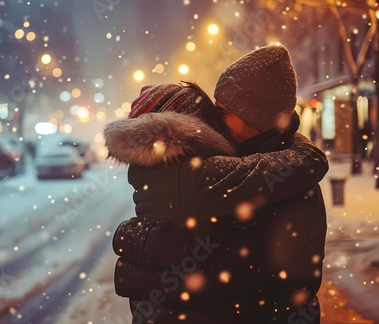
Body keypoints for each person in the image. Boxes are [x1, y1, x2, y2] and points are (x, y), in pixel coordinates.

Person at [104, 45, 328, 323]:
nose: (213, 125)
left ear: (254, 118)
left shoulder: (289, 187)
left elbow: (221, 280)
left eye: (222, 113)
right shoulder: (243, 166)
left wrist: (140, 267)